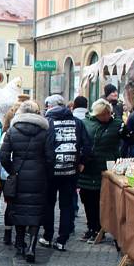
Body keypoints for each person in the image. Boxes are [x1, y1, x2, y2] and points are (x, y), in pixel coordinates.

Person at [0, 101, 53, 263]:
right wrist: (45, 172)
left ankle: (20, 244)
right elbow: (51, 158)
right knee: (35, 212)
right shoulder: (45, 132)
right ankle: (32, 247)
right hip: (38, 176)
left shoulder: (12, 131)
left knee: (19, 209)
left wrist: (12, 171)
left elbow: (3, 156)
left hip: (19, 175)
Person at [40, 95, 91, 252]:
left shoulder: (48, 123)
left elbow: (44, 147)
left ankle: (48, 236)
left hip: (51, 171)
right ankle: (62, 239)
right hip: (70, 171)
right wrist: (81, 162)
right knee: (67, 205)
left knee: (48, 204)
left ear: (51, 107)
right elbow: (88, 145)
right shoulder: (77, 122)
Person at [77, 98, 122, 243]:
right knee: (87, 198)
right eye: (103, 114)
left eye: (108, 114)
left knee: (100, 200)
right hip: (88, 167)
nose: (106, 117)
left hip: (105, 168)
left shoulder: (117, 124)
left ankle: (99, 229)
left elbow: (129, 137)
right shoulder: (86, 123)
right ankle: (91, 227)